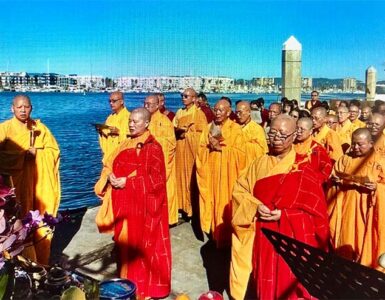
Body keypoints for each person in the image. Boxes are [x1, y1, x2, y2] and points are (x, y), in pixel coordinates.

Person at [230, 115, 330, 299]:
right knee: (264, 273)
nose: (276, 138)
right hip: (262, 232)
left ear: (294, 136)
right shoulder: (259, 163)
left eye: (282, 134)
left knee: (287, 279)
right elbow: (239, 192)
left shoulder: (303, 169)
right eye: (272, 133)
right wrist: (255, 206)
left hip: (289, 237)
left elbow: (316, 214)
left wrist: (285, 215)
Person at [94, 108, 171, 298]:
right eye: (130, 120)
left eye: (136, 121)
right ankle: (126, 283)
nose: (131, 124)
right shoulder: (125, 143)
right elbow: (109, 164)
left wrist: (128, 182)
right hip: (124, 205)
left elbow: (158, 180)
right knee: (124, 248)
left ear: (146, 123)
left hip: (143, 210)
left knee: (142, 249)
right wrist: (109, 176)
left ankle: (142, 288)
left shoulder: (153, 148)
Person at [0, 94, 61, 265]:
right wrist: (22, 155)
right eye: (19, 107)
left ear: (31, 108)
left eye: (26, 107)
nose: (23, 110)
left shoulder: (40, 129)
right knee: (17, 224)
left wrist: (39, 153)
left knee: (39, 220)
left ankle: (41, 262)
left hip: (38, 185)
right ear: (12, 109)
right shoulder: (4, 129)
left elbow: (54, 151)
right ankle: (20, 264)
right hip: (14, 187)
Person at [328, 128, 385, 270]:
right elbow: (333, 175)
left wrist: (377, 188)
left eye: (360, 144)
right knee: (345, 240)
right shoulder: (345, 158)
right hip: (345, 207)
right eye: (353, 144)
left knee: (365, 241)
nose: (355, 147)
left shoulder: (379, 161)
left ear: (371, 143)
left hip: (367, 210)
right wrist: (335, 180)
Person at [196, 99, 246, 247]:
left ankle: (225, 238)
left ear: (229, 112)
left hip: (227, 176)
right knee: (210, 201)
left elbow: (241, 155)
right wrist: (208, 148)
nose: (217, 113)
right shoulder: (208, 128)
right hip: (210, 172)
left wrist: (221, 148)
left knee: (225, 203)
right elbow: (200, 151)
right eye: (215, 109)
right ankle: (212, 232)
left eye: (221, 110)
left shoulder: (235, 129)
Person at [174, 88, 208, 218]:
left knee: (190, 178)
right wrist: (178, 131)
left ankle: (192, 209)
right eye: (182, 95)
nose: (183, 98)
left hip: (191, 151)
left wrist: (187, 134)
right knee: (179, 177)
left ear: (194, 99)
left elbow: (203, 135)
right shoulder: (179, 112)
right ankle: (181, 206)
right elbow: (174, 127)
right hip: (180, 149)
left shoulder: (199, 114)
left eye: (186, 96)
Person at [144, 95, 178, 225]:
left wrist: (153, 142)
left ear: (158, 105)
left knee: (165, 190)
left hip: (162, 162)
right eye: (145, 103)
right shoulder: (145, 120)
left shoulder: (164, 121)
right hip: (148, 162)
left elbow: (171, 143)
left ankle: (167, 219)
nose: (146, 106)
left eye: (150, 104)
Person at [294, 117, 332, 183]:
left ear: (311, 131)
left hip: (309, 183)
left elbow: (326, 170)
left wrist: (313, 180)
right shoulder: (289, 144)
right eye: (297, 128)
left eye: (302, 129)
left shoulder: (317, 148)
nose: (298, 131)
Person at [98, 91, 130, 161]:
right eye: (109, 101)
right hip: (109, 155)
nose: (111, 103)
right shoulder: (110, 117)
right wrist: (101, 131)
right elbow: (106, 137)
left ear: (121, 101)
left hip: (121, 157)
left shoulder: (129, 117)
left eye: (114, 101)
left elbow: (131, 138)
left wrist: (119, 132)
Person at [235, 101, 268, 167]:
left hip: (250, 165)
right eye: (236, 112)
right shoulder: (233, 126)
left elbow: (262, 151)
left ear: (249, 112)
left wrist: (242, 145)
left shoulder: (256, 129)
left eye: (240, 112)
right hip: (235, 163)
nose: (238, 115)